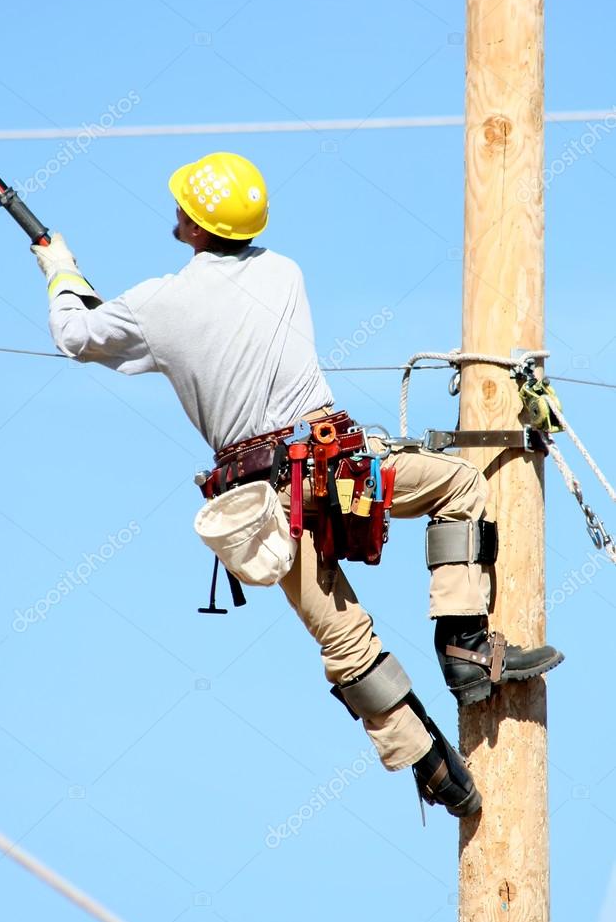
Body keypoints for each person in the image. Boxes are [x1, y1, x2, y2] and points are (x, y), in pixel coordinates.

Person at [32, 152, 563, 819]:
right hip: (340, 462)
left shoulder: (156, 305)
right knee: (459, 486)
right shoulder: (284, 271)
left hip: (268, 500)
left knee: (345, 639)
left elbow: (75, 333)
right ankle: (465, 648)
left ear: (196, 227)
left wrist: (60, 266)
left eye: (183, 211)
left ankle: (427, 763)